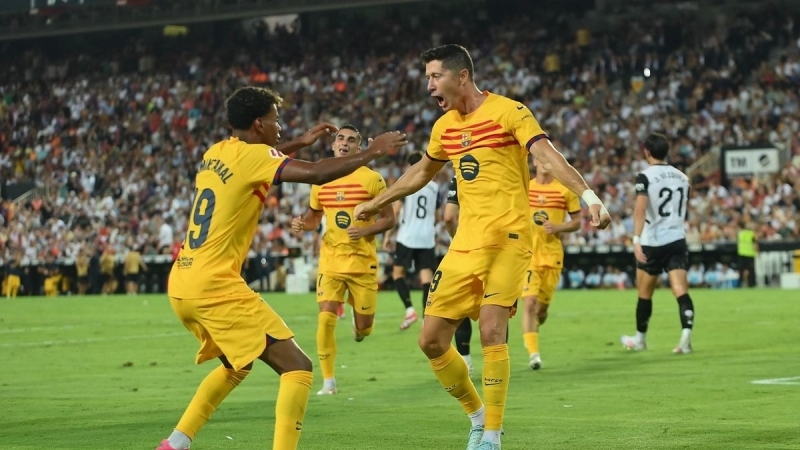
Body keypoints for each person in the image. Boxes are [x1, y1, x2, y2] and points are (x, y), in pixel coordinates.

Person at [354, 44, 610, 450]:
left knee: (491, 329)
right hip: (465, 244)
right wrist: (376, 202)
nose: (429, 86)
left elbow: (547, 155)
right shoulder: (444, 127)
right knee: (430, 340)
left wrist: (589, 196)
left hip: (510, 239)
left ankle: (492, 434)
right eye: (427, 78)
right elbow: (422, 171)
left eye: (435, 76)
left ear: (462, 76)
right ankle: (477, 416)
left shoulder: (510, 112)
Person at [155, 86, 406, 450]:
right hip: (215, 286)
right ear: (259, 124)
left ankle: (176, 443)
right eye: (275, 119)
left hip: (182, 281)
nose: (280, 125)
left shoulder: (216, 152)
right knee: (298, 368)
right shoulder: (255, 157)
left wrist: (299, 143)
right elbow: (317, 174)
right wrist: (372, 151)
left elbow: (260, 161)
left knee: (236, 366)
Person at [291, 124, 396, 396]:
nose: (344, 143)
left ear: (359, 147)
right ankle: (328, 382)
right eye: (340, 138)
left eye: (351, 140)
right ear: (333, 144)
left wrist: (365, 231)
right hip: (331, 260)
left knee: (365, 328)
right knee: (325, 319)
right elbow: (314, 217)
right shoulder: (321, 179)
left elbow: (389, 219)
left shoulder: (372, 179)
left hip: (362, 262)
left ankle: (359, 328)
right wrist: (303, 224)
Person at [621, 133, 695, 354]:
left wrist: (636, 239)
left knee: (644, 293)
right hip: (677, 238)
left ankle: (640, 339)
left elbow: (640, 209)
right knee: (680, 290)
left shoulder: (644, 176)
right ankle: (686, 337)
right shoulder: (682, 177)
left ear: (647, 152)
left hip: (652, 240)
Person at [521, 158, 582, 370]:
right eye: (540, 158)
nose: (544, 163)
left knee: (541, 311)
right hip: (528, 255)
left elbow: (577, 222)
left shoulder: (564, 190)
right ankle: (534, 355)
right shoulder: (525, 186)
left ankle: (534, 327)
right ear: (534, 161)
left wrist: (558, 227)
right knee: (529, 303)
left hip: (552, 256)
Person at [383, 151, 442, 330]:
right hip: (427, 237)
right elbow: (438, 216)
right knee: (426, 277)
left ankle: (410, 310)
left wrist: (387, 236)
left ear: (411, 167)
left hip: (407, 236)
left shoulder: (406, 182)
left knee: (398, 273)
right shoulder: (434, 187)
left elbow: (396, 210)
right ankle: (426, 318)